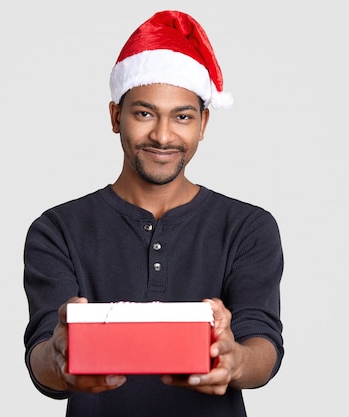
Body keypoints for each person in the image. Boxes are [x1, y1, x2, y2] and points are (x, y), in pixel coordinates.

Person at [23, 10, 284, 417]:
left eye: (182, 116)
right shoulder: (57, 229)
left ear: (203, 124)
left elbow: (261, 342)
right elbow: (43, 350)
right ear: (115, 117)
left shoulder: (248, 227)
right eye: (144, 113)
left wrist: (235, 359)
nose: (163, 136)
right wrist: (60, 359)